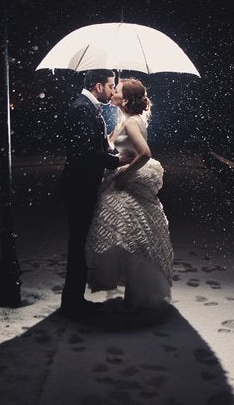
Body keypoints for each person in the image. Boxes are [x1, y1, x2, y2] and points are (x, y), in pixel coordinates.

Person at [86, 77, 174, 313]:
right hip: (122, 179)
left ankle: (137, 299)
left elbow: (144, 153)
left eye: (118, 89)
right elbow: (111, 146)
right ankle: (135, 298)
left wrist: (125, 175)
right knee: (129, 238)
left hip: (128, 184)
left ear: (125, 98)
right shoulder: (127, 120)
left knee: (130, 238)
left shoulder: (132, 122)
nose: (113, 91)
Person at [59, 69, 133, 318]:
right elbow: (84, 152)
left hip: (83, 184)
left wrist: (109, 150)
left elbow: (92, 146)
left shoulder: (88, 107)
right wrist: (116, 160)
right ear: (99, 86)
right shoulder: (82, 108)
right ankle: (72, 303)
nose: (113, 90)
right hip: (79, 186)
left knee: (80, 243)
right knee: (78, 244)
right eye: (111, 86)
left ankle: (74, 299)